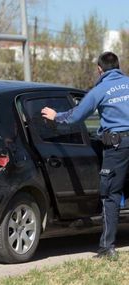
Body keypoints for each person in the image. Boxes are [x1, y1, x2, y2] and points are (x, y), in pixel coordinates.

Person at [41, 51, 129, 260]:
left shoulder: (100, 90)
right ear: (118, 66)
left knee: (110, 195)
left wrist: (55, 116)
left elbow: (76, 116)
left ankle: (107, 248)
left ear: (100, 69)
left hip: (117, 148)